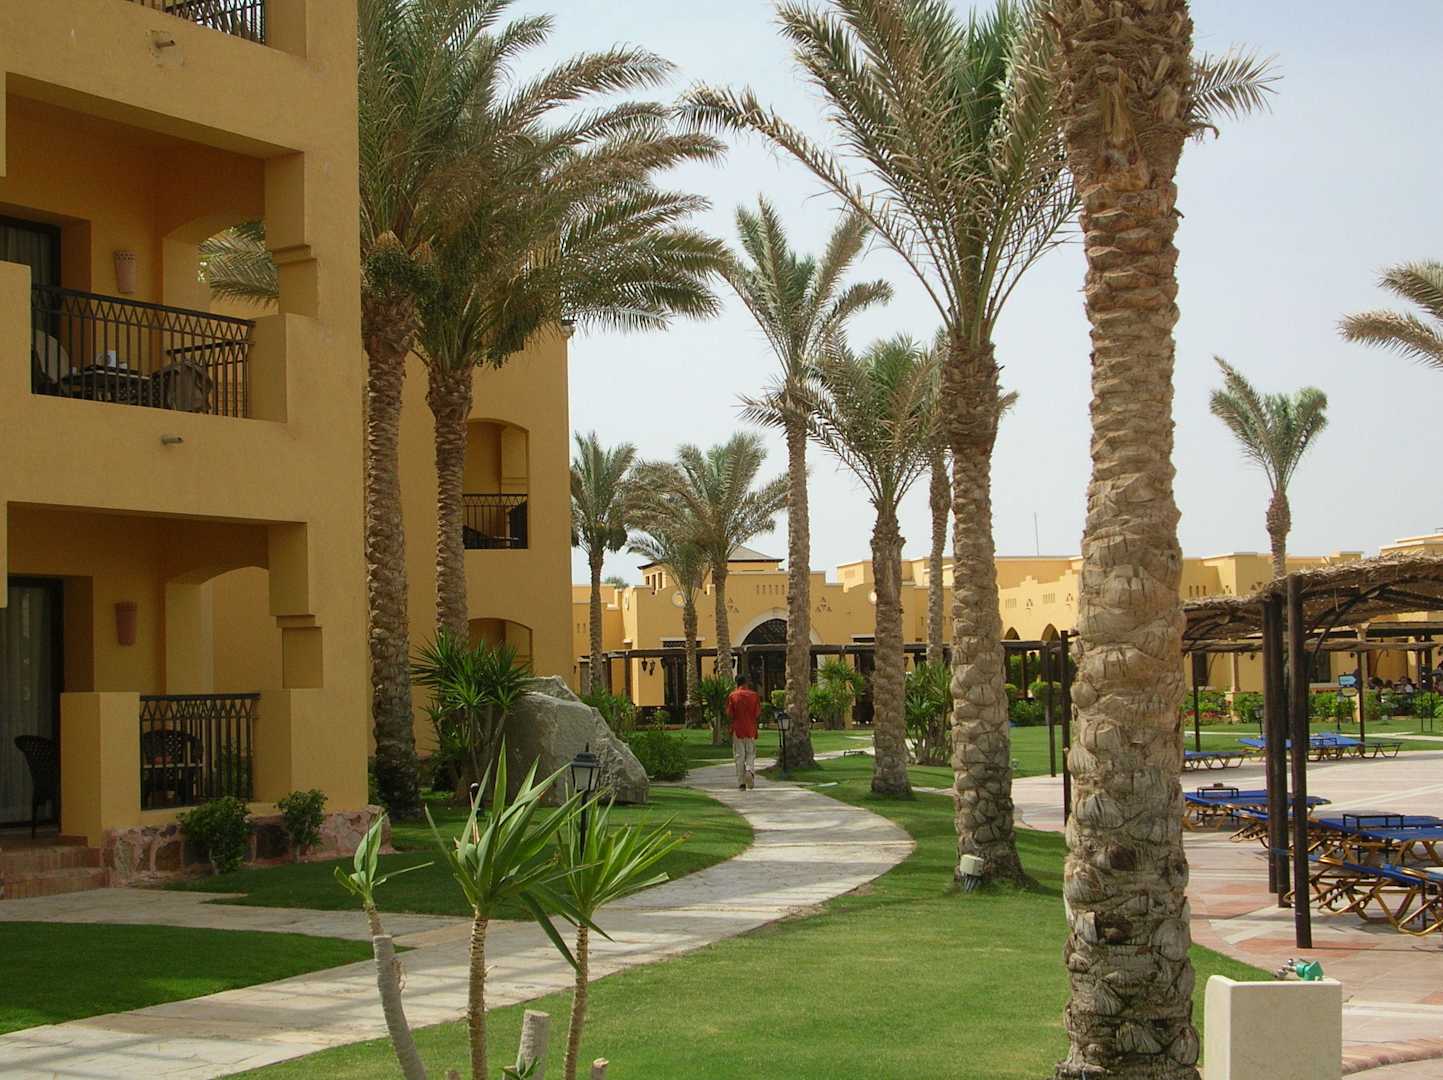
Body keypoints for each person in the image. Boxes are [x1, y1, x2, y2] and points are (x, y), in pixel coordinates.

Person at [726, 674, 762, 791]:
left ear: (736, 683)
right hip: (750, 728)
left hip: (737, 729)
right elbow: (757, 713)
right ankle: (749, 770)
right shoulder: (754, 695)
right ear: (746, 683)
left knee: (739, 755)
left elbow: (730, 713)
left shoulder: (732, 695)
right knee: (751, 753)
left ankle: (741, 783)